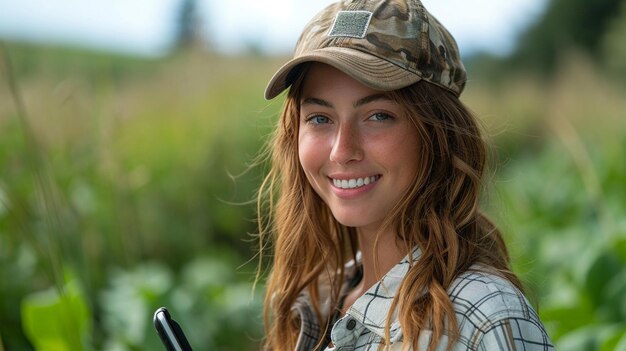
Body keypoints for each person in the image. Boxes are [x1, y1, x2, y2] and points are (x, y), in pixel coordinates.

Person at [256, 0, 554, 350]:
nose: (341, 151)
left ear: (439, 134)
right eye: (320, 118)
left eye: (378, 115)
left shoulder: (483, 320)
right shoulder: (317, 303)